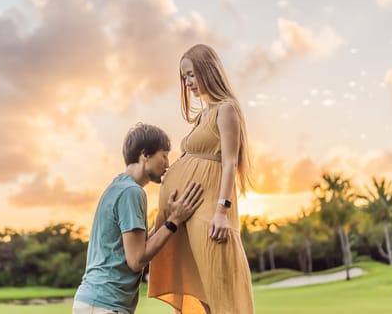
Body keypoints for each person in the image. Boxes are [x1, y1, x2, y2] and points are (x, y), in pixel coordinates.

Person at [148, 44, 255, 313]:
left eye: (192, 74)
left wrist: (222, 210)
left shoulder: (226, 109)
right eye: (184, 77)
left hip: (209, 214)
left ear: (208, 71)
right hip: (188, 216)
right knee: (200, 291)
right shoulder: (202, 116)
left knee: (218, 290)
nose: (188, 82)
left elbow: (230, 161)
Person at [73, 123, 204, 314]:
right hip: (105, 305)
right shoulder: (131, 192)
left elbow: (135, 245)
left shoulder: (117, 187)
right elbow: (136, 259)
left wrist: (170, 217)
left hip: (94, 302)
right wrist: (174, 220)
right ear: (145, 154)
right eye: (164, 155)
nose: (167, 164)